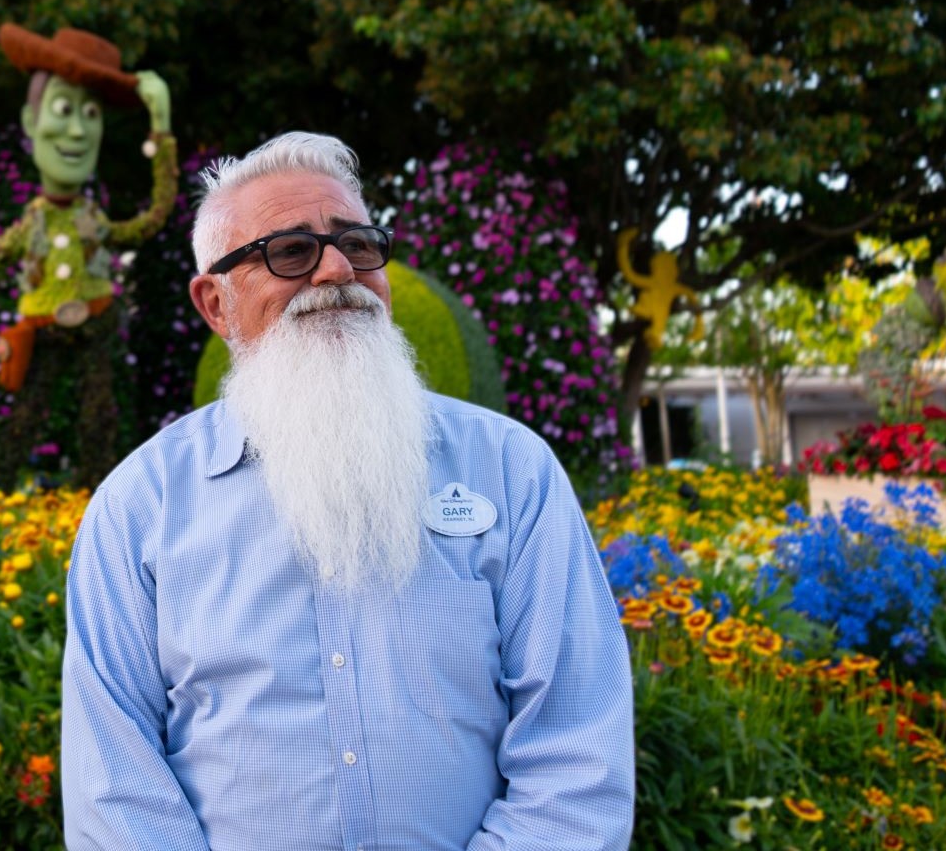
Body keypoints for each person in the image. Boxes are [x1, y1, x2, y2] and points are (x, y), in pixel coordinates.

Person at [62, 131, 633, 849]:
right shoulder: (138, 509)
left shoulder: (513, 472)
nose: (337, 270)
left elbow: (576, 751)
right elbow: (115, 788)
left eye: (360, 245)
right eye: (291, 251)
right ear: (215, 303)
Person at [0, 24, 177, 486]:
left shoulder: (93, 221)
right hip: (42, 328)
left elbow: (153, 217)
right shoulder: (26, 228)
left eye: (90, 113)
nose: (77, 129)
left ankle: (106, 501)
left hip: (96, 323)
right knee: (24, 419)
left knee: (101, 417)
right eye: (62, 110)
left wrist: (161, 127)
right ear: (32, 124)